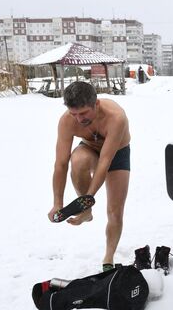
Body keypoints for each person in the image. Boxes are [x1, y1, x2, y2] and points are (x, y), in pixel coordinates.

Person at [48, 81, 131, 271]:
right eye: (74, 113)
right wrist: (57, 203)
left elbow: (105, 161)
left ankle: (108, 257)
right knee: (77, 162)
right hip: (89, 148)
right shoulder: (66, 121)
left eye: (83, 113)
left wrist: (89, 197)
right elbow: (60, 164)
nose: (78, 119)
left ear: (96, 104)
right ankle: (86, 212)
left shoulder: (116, 117)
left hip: (116, 153)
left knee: (115, 212)